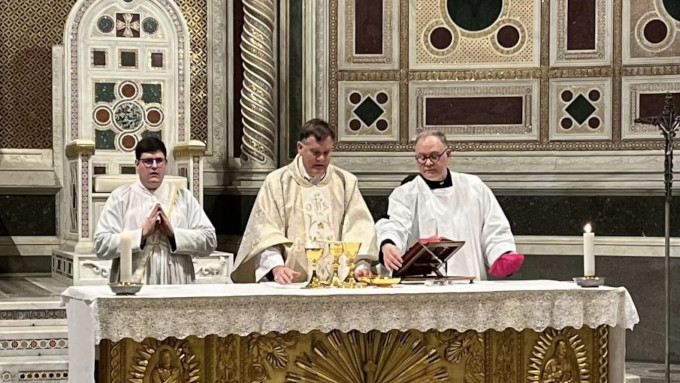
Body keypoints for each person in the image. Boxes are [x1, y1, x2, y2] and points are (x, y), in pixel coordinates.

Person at [231, 118, 377, 284]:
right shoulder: (278, 182)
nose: (321, 158)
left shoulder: (345, 182)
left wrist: (359, 267)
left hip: (337, 284)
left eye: (327, 153)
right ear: (300, 148)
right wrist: (277, 267)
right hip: (292, 282)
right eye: (315, 152)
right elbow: (266, 232)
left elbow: (359, 229)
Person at [375, 130, 523, 280]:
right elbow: (395, 224)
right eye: (421, 157)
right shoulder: (405, 193)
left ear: (448, 155)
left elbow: (494, 227)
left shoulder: (474, 187)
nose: (427, 163)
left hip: (468, 278)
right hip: (422, 283)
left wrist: (502, 253)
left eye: (434, 156)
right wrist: (389, 244)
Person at [94, 137, 217, 284]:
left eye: (159, 161)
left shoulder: (183, 197)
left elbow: (210, 240)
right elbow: (101, 245)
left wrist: (173, 234)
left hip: (177, 279)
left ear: (165, 164)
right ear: (137, 165)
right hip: (134, 280)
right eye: (147, 161)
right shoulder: (120, 197)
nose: (154, 166)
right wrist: (141, 234)